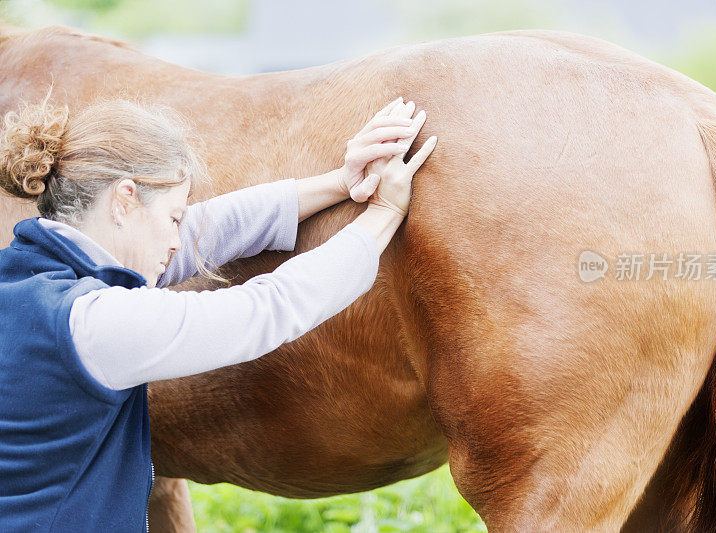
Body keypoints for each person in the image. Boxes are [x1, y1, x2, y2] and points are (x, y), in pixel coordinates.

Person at [0, 93, 437, 532]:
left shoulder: (22, 277)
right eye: (173, 218)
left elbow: (211, 229)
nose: (177, 240)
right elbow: (269, 308)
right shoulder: (94, 323)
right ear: (124, 200)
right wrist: (383, 215)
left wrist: (340, 183)